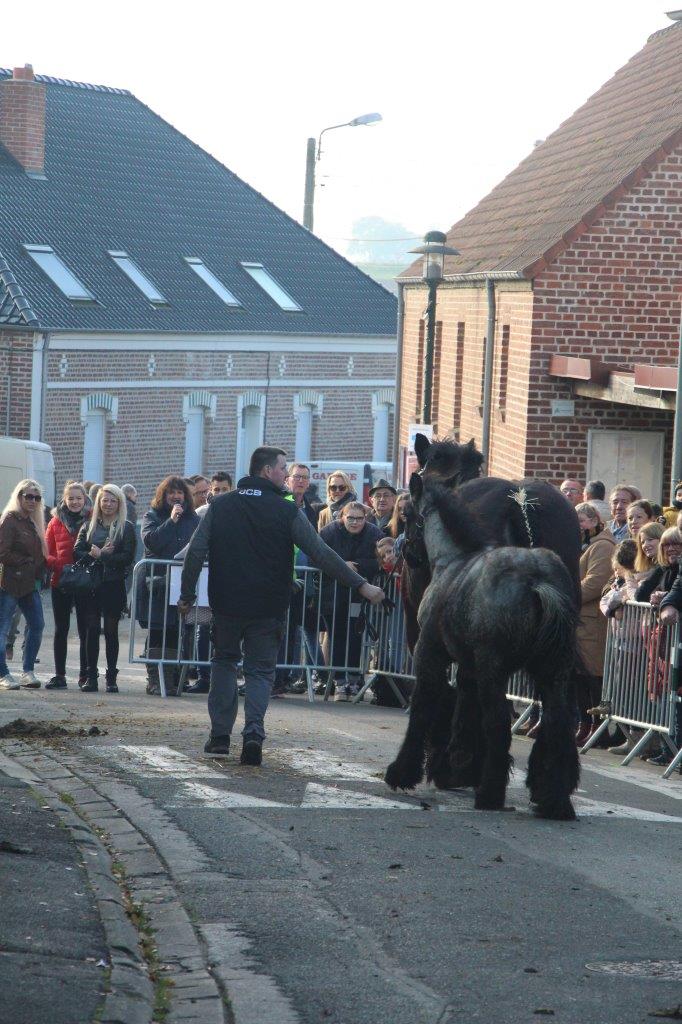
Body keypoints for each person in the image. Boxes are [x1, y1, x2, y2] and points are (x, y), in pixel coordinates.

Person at [178, 447, 385, 763]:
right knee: (261, 672)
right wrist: (362, 584)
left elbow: (195, 552)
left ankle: (220, 737)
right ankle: (253, 736)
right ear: (266, 472)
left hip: (227, 603)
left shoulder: (221, 505)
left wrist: (187, 595)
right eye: (282, 469)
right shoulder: (287, 510)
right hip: (269, 605)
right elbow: (321, 553)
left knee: (224, 663)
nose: (286, 475)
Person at [139, 476, 199, 695]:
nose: (176, 497)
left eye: (180, 493)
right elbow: (152, 541)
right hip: (158, 584)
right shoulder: (151, 516)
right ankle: (155, 679)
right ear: (163, 496)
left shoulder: (193, 519)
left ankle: (171, 680)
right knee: (158, 631)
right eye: (171, 493)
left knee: (175, 631)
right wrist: (171, 521)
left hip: (182, 584)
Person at [74, 484, 136, 693]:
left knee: (111, 631)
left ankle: (111, 677)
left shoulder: (126, 527)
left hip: (113, 584)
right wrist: (93, 555)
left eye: (112, 500)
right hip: (91, 584)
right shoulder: (88, 525)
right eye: (104, 500)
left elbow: (127, 558)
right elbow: (77, 551)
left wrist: (103, 555)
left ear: (119, 503)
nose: (108, 504)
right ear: (99, 502)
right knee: (91, 630)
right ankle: (91, 676)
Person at [319, 501, 383, 700]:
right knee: (336, 635)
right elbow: (316, 556)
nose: (355, 522)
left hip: (360, 596)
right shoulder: (329, 532)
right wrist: (342, 565)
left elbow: (380, 561)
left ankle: (354, 681)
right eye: (351, 518)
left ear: (366, 518)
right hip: (332, 594)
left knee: (355, 637)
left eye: (359, 518)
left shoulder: (374, 534)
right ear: (342, 518)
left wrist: (358, 566)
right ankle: (339, 682)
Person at [574, 501, 616, 745]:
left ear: (594, 521)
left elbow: (595, 582)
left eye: (581, 521)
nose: (578, 526)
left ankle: (596, 726)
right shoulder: (586, 544)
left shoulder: (602, 546)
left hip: (592, 622)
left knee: (591, 677)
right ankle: (584, 723)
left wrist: (565, 593)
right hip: (581, 620)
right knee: (579, 677)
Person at [0, 479, 47, 690]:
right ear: (19, 497)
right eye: (28, 496)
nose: (32, 501)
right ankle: (3, 673)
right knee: (3, 628)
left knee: (37, 624)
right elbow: (3, 552)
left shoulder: (33, 522)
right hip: (9, 582)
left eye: (36, 498)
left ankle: (28, 670)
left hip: (29, 583)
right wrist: (25, 562)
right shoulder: (10, 520)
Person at [45, 481, 90, 689]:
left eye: (78, 498)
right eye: (71, 498)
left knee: (85, 630)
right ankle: (60, 675)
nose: (74, 502)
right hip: (60, 580)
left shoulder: (92, 519)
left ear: (85, 499)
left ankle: (84, 675)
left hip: (84, 580)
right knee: (61, 629)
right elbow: (48, 551)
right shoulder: (55, 521)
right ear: (65, 499)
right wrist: (58, 565)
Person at [285, 463, 319, 529]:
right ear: (287, 481)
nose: (301, 481)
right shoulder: (280, 505)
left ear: (308, 483)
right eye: (296, 477)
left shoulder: (310, 511)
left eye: (305, 477)